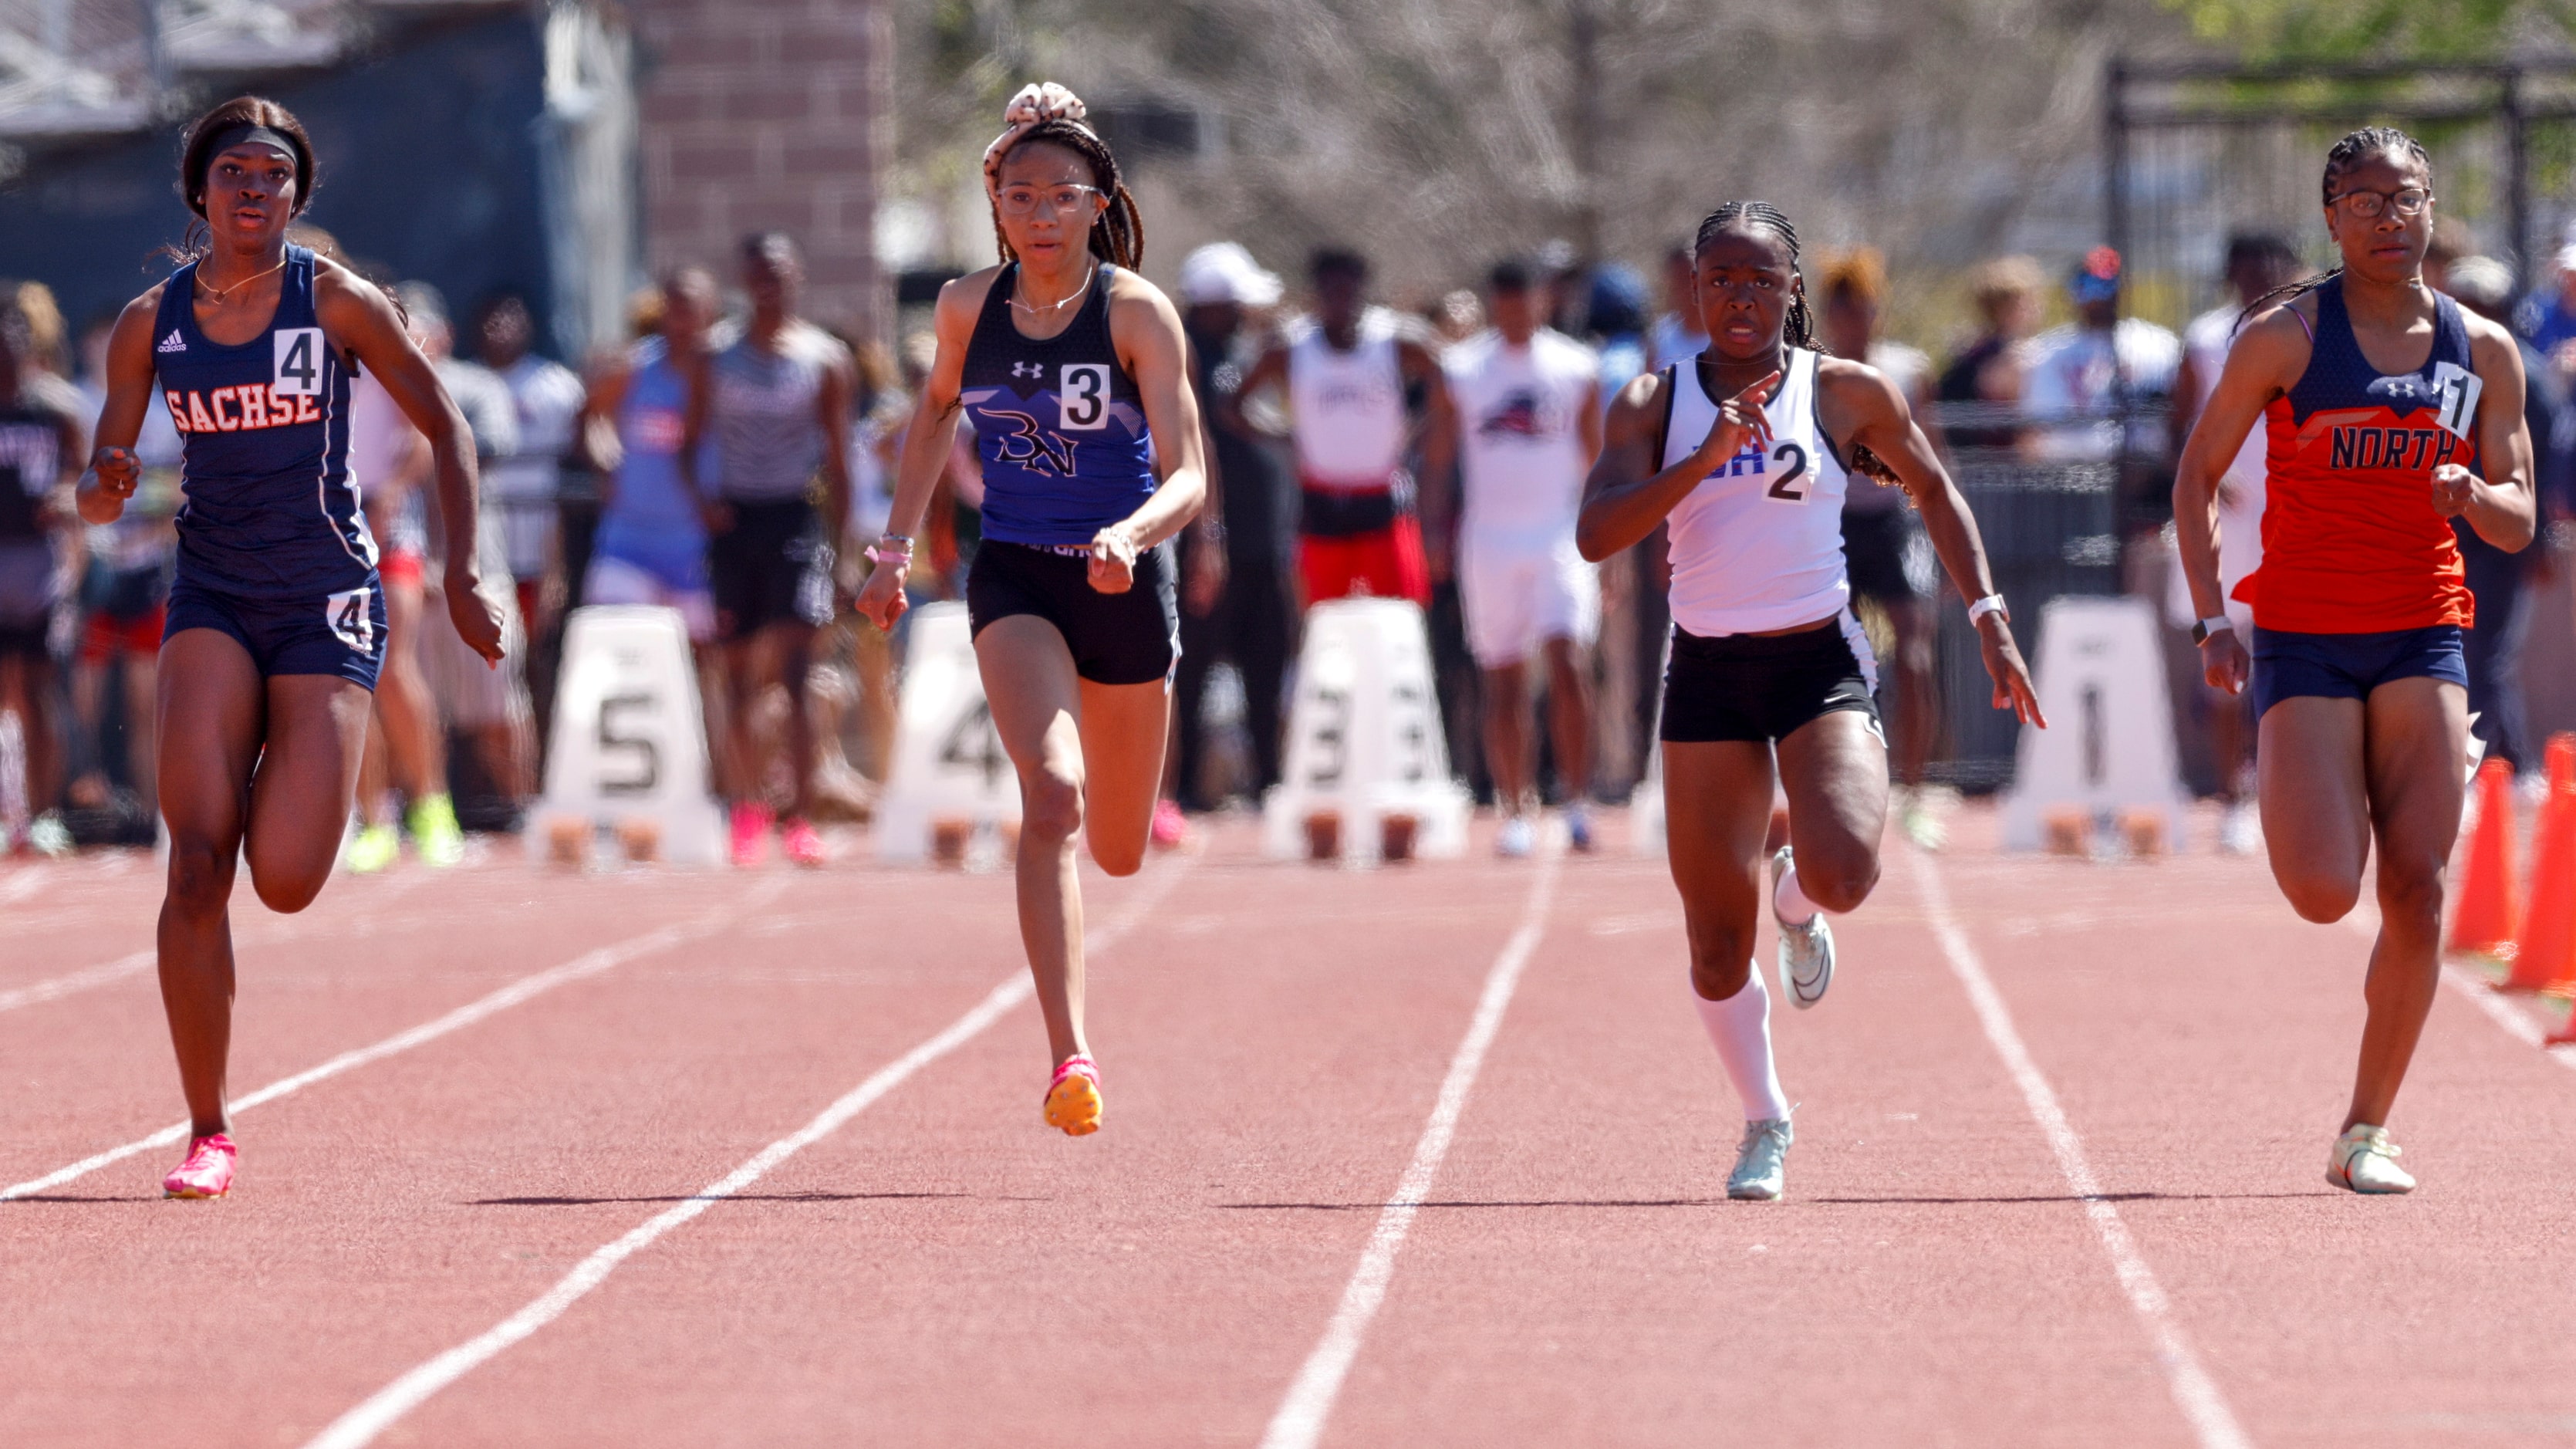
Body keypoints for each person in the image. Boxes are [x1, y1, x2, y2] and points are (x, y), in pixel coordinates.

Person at [80, 96, 505, 1198]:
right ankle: (207, 1128)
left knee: (286, 877)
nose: (253, 190)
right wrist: (104, 481)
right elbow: (101, 476)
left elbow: (445, 424)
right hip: (212, 594)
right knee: (194, 863)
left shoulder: (336, 302)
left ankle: (278, 747)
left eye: (273, 174)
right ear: (200, 194)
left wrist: (461, 573)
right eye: (234, 174)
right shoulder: (150, 322)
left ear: (296, 196)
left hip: (324, 597)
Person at [1576, 201, 2042, 1203]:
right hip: (1705, 668)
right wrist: (1699, 461)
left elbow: (1933, 487)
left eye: (1758, 279)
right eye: (1718, 280)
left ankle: (1793, 897)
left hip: (1815, 658)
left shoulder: (1840, 392)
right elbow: (1594, 533)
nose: (1737, 298)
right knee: (1709, 943)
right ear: (1691, 291)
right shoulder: (1650, 403)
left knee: (1844, 872)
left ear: (1792, 290)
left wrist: (1988, 614)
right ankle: (1763, 1117)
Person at [2175, 127, 2535, 1195]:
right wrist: (2209, 620)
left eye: (2408, 199)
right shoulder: (2285, 338)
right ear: (2329, 216)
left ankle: (2364, 1127)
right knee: (2326, 890)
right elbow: (2194, 477)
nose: (2390, 219)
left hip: (2423, 627)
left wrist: (2473, 495)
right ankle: (2332, 828)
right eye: (2367, 201)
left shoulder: (2480, 349)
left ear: (2430, 211)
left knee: (2417, 889)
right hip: (2303, 633)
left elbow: (2517, 520)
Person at [857, 82, 1207, 1138]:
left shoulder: (1137, 312)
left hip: (1120, 582)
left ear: (1098, 202)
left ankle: (1112, 847)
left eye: (1061, 196)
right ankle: (1069, 1053)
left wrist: (1130, 536)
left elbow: (1189, 473)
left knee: (1118, 847)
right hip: (1015, 574)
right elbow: (929, 423)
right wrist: (891, 549)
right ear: (994, 204)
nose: (1040, 215)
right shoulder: (967, 308)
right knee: (1048, 795)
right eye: (1020, 196)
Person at [690, 231, 854, 868]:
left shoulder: (824, 359)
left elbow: (840, 461)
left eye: (780, 274)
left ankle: (802, 816)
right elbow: (688, 440)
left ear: (798, 279)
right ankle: (747, 809)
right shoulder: (716, 355)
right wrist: (701, 502)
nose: (770, 285)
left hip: (794, 517)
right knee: (734, 673)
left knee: (796, 673)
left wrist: (841, 551)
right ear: (745, 280)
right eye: (759, 274)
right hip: (734, 519)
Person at [1432, 257, 1604, 856]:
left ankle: (1577, 802)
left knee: (1567, 663)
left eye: (1525, 301)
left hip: (1559, 535)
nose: (1515, 314)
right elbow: (1436, 456)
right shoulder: (1462, 369)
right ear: (1493, 304)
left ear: (1541, 301)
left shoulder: (1575, 366)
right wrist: (1432, 531)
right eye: (1504, 303)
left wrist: (1606, 534)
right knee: (1501, 677)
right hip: (1488, 540)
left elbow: (1597, 456)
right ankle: (1514, 808)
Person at [2167, 233, 2304, 851]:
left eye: (2271, 265)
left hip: (2296, 517)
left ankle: (2291, 794)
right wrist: (2207, 476)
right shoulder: (2203, 339)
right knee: (2221, 660)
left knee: (2297, 663)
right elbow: (2179, 429)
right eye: (2248, 269)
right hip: (2230, 524)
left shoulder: (2309, 329)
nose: (2260, 278)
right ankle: (2230, 798)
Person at [1233, 248, 1452, 610]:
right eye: (1331, 292)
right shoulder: (1292, 347)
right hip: (1321, 500)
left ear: (1361, 290)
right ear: (1316, 294)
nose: (1341, 302)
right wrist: (1282, 435)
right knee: (1323, 619)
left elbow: (1448, 378)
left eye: (1348, 291)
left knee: (1400, 616)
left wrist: (1419, 428)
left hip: (1382, 496)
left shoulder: (1395, 342)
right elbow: (1234, 404)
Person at [1820, 247, 1946, 849]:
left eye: (1863, 309)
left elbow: (1935, 457)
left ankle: (1915, 791)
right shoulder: (1811, 375)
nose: (1855, 321)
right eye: (1843, 311)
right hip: (1830, 525)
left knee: (1915, 655)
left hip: (1893, 523)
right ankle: (1822, 787)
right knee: (1818, 660)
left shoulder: (1907, 368)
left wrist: (1945, 534)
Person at [343, 292, 466, 871]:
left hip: (390, 534)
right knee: (351, 677)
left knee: (394, 668)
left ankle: (433, 805)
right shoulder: (297, 354)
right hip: (330, 531)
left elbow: (423, 438)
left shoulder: (382, 353)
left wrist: (388, 496)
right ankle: (374, 819)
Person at [1172, 242, 1295, 814]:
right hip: (1209, 545)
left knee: (1266, 668)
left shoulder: (1241, 355)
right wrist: (1204, 537)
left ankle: (1270, 781)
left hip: (1259, 547)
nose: (1248, 312)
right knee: (1192, 672)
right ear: (1213, 305)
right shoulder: (1180, 358)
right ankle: (1187, 788)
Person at [409, 283, 535, 819]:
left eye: (417, 330)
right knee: (411, 706)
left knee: (497, 706)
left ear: (443, 335)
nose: (409, 341)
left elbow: (491, 450)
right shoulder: (372, 388)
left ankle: (521, 805)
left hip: (480, 571)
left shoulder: (477, 387)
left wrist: (424, 447)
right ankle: (414, 809)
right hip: (408, 575)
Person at [2440, 255, 2566, 781]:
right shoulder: (2453, 375)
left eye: (2479, 304)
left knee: (2484, 654)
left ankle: (2492, 768)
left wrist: (2540, 543)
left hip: (2503, 541)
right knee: (2469, 653)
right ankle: (2509, 762)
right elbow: (2439, 448)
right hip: (2455, 536)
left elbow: (2545, 463)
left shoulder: (2525, 374)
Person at [69, 312, 180, 831]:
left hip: (146, 570)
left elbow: (180, 482)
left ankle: (154, 814)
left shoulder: (162, 409)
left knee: (146, 700)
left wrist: (148, 517)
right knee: (82, 698)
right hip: (87, 576)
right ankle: (75, 805)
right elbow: (66, 483)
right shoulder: (72, 405)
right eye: (100, 341)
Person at [0, 285, 86, 855]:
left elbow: (84, 480)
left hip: (39, 566)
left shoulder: (54, 409)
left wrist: (66, 497)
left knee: (39, 692)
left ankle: (47, 813)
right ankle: (12, 814)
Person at [474, 292, 586, 640]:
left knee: (541, 633)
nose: (502, 329)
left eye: (512, 318)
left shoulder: (557, 384)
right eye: (493, 319)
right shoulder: (467, 382)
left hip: (540, 531)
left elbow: (582, 445)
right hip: (484, 530)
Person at [1934, 255, 2044, 454]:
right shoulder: (2009, 357)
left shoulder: (1971, 352)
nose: (2035, 309)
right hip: (2001, 462)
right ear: (2004, 309)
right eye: (2027, 302)